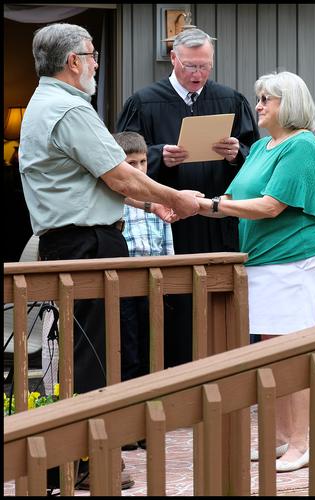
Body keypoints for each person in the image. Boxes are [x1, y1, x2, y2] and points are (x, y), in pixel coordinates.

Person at [18, 22, 202, 490]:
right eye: (93, 54)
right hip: (87, 244)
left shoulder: (46, 103)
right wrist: (178, 199)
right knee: (95, 356)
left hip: (74, 241)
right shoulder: (68, 109)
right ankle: (85, 463)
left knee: (80, 354)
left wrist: (149, 204)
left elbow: (95, 181)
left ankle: (76, 460)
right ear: (72, 62)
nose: (97, 62)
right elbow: (120, 175)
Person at [196, 71, 315, 472]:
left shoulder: (301, 146)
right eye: (259, 99)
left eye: (266, 99)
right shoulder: (261, 148)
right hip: (261, 262)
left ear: (289, 104)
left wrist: (212, 207)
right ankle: (279, 437)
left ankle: (301, 443)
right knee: (270, 354)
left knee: (290, 353)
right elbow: (235, 195)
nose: (258, 106)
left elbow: (271, 206)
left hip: (291, 262)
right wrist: (192, 203)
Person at [116, 27, 260, 367]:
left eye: (205, 67)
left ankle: (222, 371)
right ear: (174, 59)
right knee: (173, 304)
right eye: (191, 66)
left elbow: (256, 157)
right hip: (167, 224)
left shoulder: (230, 99)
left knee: (218, 301)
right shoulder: (144, 101)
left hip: (216, 221)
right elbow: (120, 159)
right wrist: (158, 157)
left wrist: (236, 152)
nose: (198, 75)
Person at [113, 131, 175, 451]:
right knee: (129, 354)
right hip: (125, 289)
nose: (139, 169)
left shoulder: (160, 200)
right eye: (131, 164)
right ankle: (125, 426)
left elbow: (167, 247)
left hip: (154, 287)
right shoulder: (117, 202)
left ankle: (146, 425)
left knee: (154, 355)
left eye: (142, 162)